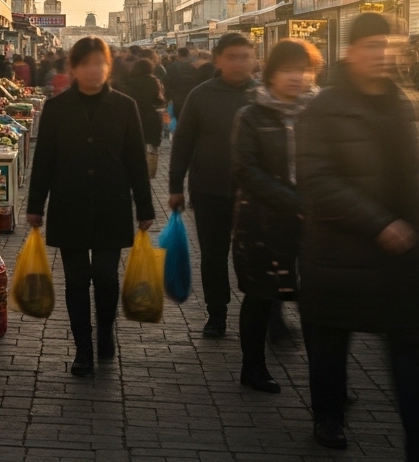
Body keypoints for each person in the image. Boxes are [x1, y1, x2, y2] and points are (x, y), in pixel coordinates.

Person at [296, 13, 419, 456]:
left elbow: (411, 177)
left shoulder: (399, 103)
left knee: (410, 350)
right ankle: (328, 417)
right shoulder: (323, 106)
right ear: (351, 52)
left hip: (399, 255)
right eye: (373, 46)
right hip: (338, 252)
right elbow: (317, 179)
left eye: (390, 45)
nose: (384, 54)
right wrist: (378, 223)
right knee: (330, 343)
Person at [25, 37, 156, 377]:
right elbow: (44, 160)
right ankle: (83, 349)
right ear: (73, 68)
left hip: (112, 203)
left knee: (107, 277)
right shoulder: (56, 108)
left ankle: (105, 330)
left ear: (108, 67)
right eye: (86, 64)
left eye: (100, 63)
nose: (93, 70)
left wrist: (145, 207)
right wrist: (35, 205)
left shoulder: (125, 106)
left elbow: (135, 161)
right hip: (69, 203)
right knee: (77, 279)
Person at [230, 38, 322, 394]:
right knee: (260, 296)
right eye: (287, 70)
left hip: (313, 224)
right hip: (261, 223)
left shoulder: (318, 114)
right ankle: (253, 367)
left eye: (303, 70)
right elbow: (247, 170)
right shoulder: (251, 116)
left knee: (317, 301)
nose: (296, 77)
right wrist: (294, 202)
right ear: (271, 74)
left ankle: (328, 381)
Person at [168, 32, 258, 337]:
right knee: (213, 256)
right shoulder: (201, 95)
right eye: (231, 57)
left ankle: (266, 314)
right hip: (210, 189)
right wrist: (175, 187)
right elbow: (183, 142)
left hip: (256, 194)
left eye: (245, 57)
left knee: (256, 255)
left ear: (254, 60)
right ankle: (216, 313)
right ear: (218, 60)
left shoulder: (263, 95)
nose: (238, 63)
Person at [122, 59, 165, 177]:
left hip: (134, 115)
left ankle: (133, 169)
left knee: (134, 143)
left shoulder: (129, 82)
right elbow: (159, 100)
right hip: (150, 115)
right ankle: (149, 170)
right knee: (150, 143)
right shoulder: (154, 81)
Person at [165, 47, 197, 121]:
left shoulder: (172, 67)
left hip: (178, 99)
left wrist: (168, 97)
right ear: (188, 55)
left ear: (178, 56)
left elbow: (167, 83)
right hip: (193, 98)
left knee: (180, 120)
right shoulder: (194, 66)